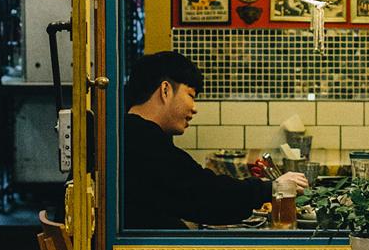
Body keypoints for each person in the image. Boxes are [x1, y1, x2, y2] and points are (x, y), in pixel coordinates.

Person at [124, 51, 308, 229]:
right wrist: (272, 188)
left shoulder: (134, 133)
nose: (194, 108)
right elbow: (205, 194)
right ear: (165, 90)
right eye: (191, 95)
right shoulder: (142, 141)